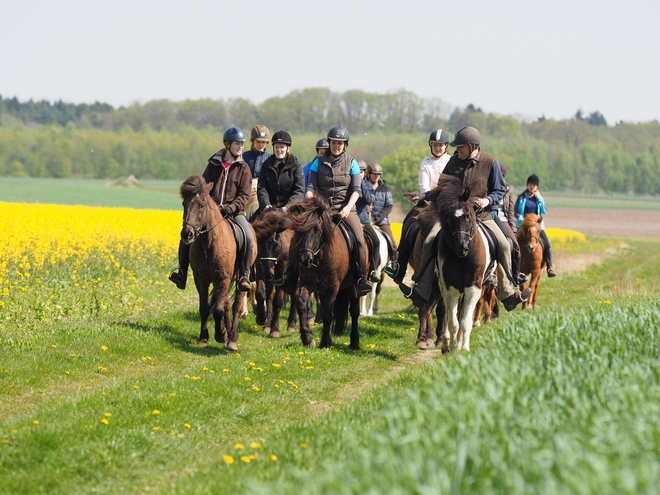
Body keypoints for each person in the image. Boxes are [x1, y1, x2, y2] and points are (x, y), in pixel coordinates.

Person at [400, 126, 531, 311]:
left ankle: (508, 292)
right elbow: (442, 188)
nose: (456, 150)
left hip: (482, 216)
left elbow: (500, 190)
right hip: (454, 217)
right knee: (429, 240)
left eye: (460, 147)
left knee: (505, 244)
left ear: (472, 146)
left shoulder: (490, 163)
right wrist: (424, 196)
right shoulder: (453, 162)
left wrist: (487, 200)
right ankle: (422, 289)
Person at [169, 126, 254, 292]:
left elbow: (244, 194)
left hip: (234, 212)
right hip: (211, 212)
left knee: (248, 237)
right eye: (237, 144)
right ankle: (182, 272)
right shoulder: (213, 164)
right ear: (228, 144)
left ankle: (244, 275)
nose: (240, 147)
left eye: (242, 144)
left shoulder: (244, 168)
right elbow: (203, 188)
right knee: (186, 234)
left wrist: (232, 207)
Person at [303, 125, 372, 296]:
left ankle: (361, 278)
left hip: (345, 210)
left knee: (359, 240)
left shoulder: (352, 163)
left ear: (345, 145)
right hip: (323, 210)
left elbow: (357, 190)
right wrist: (311, 202)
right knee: (302, 234)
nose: (337, 146)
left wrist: (348, 208)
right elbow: (310, 187)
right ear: (329, 143)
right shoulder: (317, 163)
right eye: (334, 142)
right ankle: (293, 274)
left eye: (340, 143)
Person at [384, 129, 450, 283]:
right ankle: (400, 267)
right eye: (435, 145)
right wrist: (431, 198)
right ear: (431, 146)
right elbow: (425, 188)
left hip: (448, 205)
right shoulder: (426, 163)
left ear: (446, 146)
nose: (438, 148)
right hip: (429, 204)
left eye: (440, 145)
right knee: (409, 223)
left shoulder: (451, 161)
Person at [357, 162, 398, 281]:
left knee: (392, 243)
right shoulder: (363, 185)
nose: (377, 177)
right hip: (365, 218)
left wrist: (377, 218)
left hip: (381, 220)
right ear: (368, 174)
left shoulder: (384, 188)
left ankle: (395, 267)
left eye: (379, 174)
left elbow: (389, 205)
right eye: (374, 174)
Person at [515, 174, 556, 277]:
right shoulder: (521, 198)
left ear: (537, 187)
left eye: (534, 185)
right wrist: (521, 219)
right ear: (527, 185)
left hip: (537, 227)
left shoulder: (539, 198)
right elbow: (515, 211)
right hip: (523, 226)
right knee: (514, 245)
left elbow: (544, 211)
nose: (532, 187)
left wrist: (540, 199)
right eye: (530, 185)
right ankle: (512, 267)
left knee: (547, 244)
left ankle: (550, 267)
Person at [256, 130, 305, 215]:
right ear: (273, 148)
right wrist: (266, 205)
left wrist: (288, 206)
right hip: (270, 209)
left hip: (290, 209)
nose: (279, 150)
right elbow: (262, 188)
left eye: (282, 147)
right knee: (250, 226)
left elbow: (299, 190)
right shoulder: (266, 165)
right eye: (276, 147)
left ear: (288, 148)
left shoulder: (296, 166)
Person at [243, 125, 271, 219]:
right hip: (245, 191)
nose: (261, 145)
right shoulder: (244, 157)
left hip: (262, 192)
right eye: (258, 142)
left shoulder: (270, 159)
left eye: (263, 142)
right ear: (252, 141)